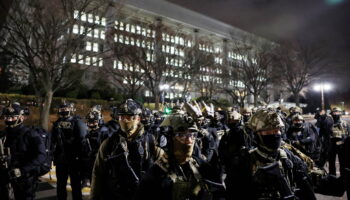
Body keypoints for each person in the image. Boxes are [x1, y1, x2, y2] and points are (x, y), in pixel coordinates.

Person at [226, 109, 316, 199]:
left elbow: (307, 187)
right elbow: (233, 192)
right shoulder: (244, 160)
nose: (274, 135)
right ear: (257, 135)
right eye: (268, 132)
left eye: (277, 131)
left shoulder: (287, 155)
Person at [136, 114, 224, 200]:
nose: (189, 140)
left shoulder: (201, 166)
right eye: (182, 135)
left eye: (192, 135)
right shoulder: (157, 173)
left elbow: (219, 192)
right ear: (171, 138)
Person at [90, 99, 163, 200]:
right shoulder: (109, 143)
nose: (124, 120)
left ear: (137, 118)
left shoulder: (150, 142)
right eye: (121, 117)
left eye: (128, 117)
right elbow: (98, 173)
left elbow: (163, 175)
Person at [0, 103, 46, 200]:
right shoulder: (3, 134)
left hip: (25, 177)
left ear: (21, 118)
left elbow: (41, 155)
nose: (8, 120)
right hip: (6, 174)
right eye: (6, 117)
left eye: (12, 117)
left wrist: (22, 170)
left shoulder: (31, 134)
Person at [51, 102, 88, 200]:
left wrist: (79, 156)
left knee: (75, 184)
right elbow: (53, 140)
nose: (64, 111)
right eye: (62, 109)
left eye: (66, 108)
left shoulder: (77, 122)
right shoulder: (57, 123)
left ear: (71, 109)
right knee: (61, 184)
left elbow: (82, 140)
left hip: (74, 158)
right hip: (61, 158)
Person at [82, 105, 111, 187]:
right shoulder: (88, 134)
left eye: (94, 122)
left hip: (102, 165)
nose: (91, 124)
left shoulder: (104, 132)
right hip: (91, 165)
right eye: (90, 122)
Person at [328, 107, 350, 175]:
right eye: (334, 112)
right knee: (331, 163)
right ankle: (332, 177)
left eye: (337, 112)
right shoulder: (328, 123)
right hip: (331, 145)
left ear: (340, 113)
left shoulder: (345, 123)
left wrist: (343, 142)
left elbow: (348, 135)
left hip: (342, 146)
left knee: (343, 162)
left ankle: (343, 178)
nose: (335, 114)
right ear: (331, 114)